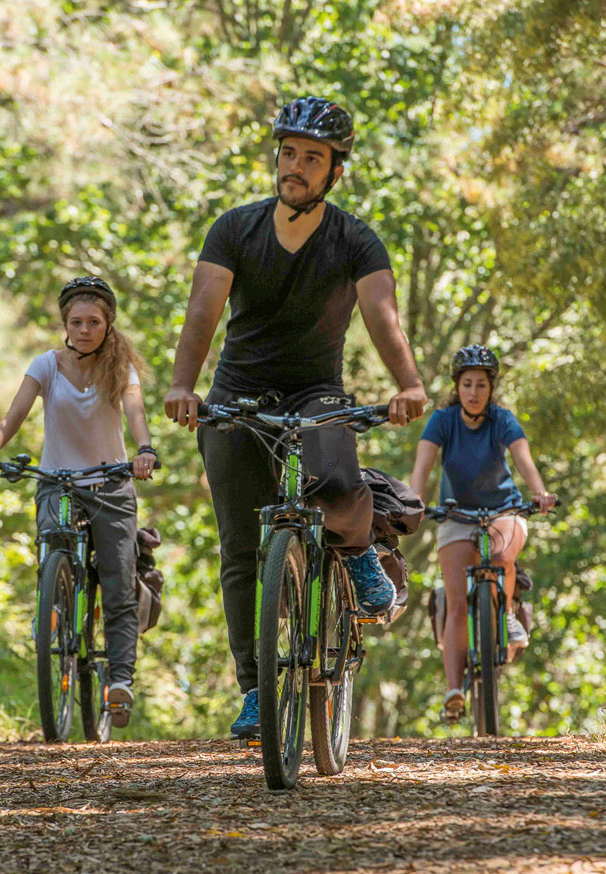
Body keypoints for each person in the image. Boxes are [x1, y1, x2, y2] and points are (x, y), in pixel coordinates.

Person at [164, 95, 428, 740]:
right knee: (240, 549)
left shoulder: (354, 239)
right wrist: (183, 385)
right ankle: (256, 691)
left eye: (312, 158)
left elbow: (382, 316)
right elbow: (204, 311)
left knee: (339, 481)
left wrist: (409, 383)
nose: (296, 167)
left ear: (335, 170)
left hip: (316, 389)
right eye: (288, 154)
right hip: (239, 391)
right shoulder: (234, 228)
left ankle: (359, 555)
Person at [0, 275, 159, 728]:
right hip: (57, 481)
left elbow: (135, 412)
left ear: (107, 324)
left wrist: (145, 450)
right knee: (53, 551)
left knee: (117, 583)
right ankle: (54, 606)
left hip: (112, 486)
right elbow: (13, 414)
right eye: (76, 321)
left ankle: (120, 682)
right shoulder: (46, 365)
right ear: (65, 323)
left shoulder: (121, 369)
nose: (84, 329)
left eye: (94, 321)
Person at [407, 345, 557, 724]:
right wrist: (413, 500)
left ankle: (504, 613)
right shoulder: (442, 420)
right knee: (457, 603)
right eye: (467, 384)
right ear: (457, 387)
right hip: (456, 513)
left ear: (492, 389)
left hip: (503, 509)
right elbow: (423, 465)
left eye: (482, 385)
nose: (474, 392)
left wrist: (538, 493)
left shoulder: (502, 420)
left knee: (501, 556)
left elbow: (524, 459)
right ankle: (454, 690)